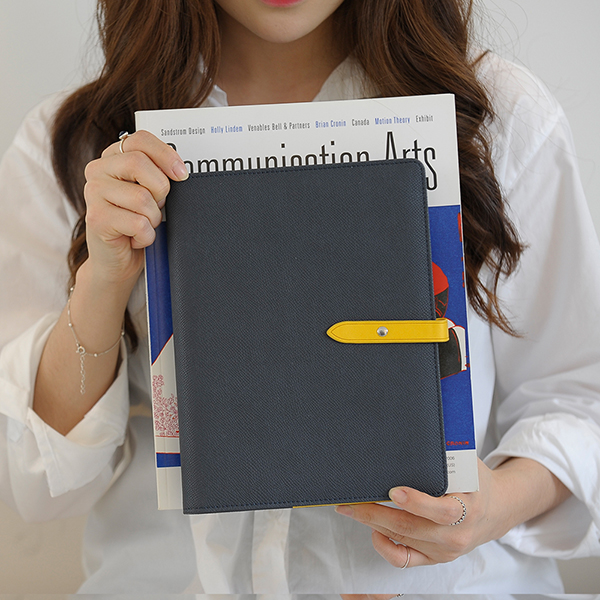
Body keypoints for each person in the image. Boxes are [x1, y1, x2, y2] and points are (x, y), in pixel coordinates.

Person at [0, 0, 599, 594]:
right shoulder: (78, 142)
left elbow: (579, 398)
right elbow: (45, 483)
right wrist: (103, 281)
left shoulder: (492, 113)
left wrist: (494, 506)